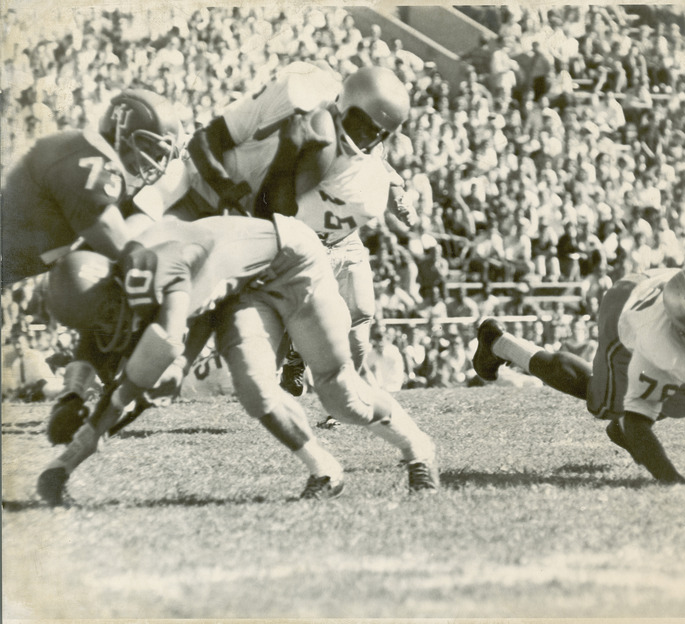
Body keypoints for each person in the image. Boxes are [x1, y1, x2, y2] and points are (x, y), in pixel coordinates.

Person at [37, 214, 439, 506]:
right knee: (254, 387)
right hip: (238, 287)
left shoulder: (161, 272)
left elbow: (156, 366)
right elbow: (99, 335)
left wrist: (72, 453)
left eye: (106, 315)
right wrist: (72, 397)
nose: (107, 326)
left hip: (288, 258)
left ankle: (418, 449)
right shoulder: (113, 275)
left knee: (339, 394)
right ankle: (326, 471)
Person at [186, 62, 416, 400]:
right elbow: (276, 205)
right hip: (289, 232)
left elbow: (376, 157)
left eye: (375, 132)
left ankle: (329, 387)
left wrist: (397, 190)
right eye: (361, 127)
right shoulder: (309, 118)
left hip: (332, 236)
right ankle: (187, 380)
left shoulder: (362, 139)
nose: (365, 137)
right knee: (248, 332)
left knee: (357, 314)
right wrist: (284, 155)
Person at [471, 246, 685, 483]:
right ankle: (498, 343)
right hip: (627, 308)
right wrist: (675, 482)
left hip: (677, 290)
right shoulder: (657, 342)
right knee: (607, 405)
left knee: (682, 404)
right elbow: (639, 426)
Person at [1, 89, 189, 444]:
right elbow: (124, 250)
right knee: (131, 277)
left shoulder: (85, 154)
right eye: (148, 147)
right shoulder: (92, 164)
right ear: (122, 132)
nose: (151, 160)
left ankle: (81, 390)